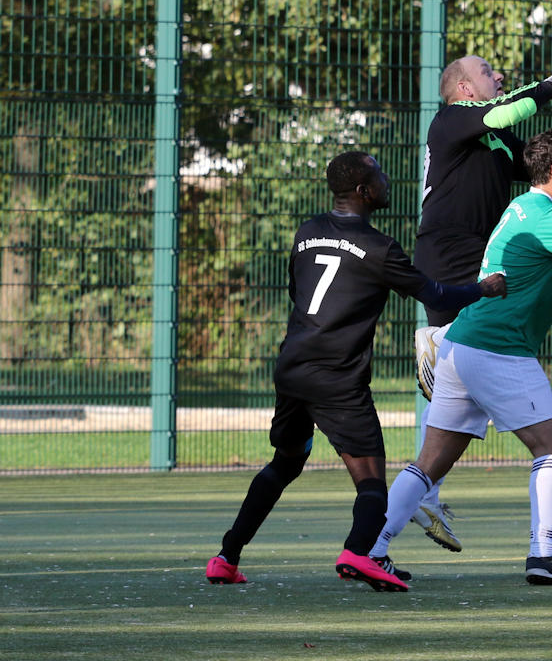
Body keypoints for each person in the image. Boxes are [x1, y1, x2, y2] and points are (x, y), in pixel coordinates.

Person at [204, 151, 506, 592]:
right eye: (379, 174)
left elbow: (298, 292)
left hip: (292, 367)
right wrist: (485, 288)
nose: (386, 178)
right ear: (365, 191)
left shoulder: (307, 233)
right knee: (371, 483)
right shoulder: (379, 248)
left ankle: (225, 558)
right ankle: (358, 553)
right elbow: (436, 292)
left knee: (284, 464)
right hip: (337, 377)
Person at [369, 127, 552, 586]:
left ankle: (371, 549)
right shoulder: (547, 212)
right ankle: (543, 557)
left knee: (430, 463)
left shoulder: (525, 210)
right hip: (498, 349)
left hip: (461, 347)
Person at [399, 56, 552, 557]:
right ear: (462, 86)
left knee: (461, 412)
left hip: (479, 258)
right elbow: (503, 111)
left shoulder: (492, 139)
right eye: (488, 70)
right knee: (482, 392)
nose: (498, 76)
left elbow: (543, 169)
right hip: (452, 257)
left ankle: (419, 491)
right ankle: (433, 486)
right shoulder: (453, 118)